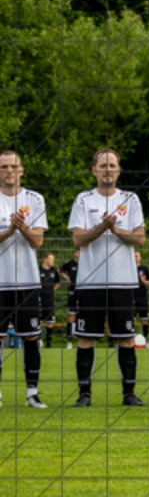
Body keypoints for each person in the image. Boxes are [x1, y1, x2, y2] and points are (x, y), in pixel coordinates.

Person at [68, 148, 146, 407]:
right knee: (86, 337)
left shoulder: (131, 199)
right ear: (94, 170)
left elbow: (140, 238)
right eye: (103, 165)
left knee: (126, 337)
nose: (108, 169)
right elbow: (78, 238)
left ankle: (129, 394)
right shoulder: (83, 200)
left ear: (119, 170)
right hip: (91, 281)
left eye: (112, 165)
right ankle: (84, 394)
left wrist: (116, 229)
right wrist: (102, 227)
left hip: (123, 280)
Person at [0, 150, 48, 408]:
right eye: (3, 166)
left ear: (21, 170)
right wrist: (9, 231)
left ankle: (32, 392)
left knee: (31, 336)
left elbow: (38, 241)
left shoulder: (35, 199)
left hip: (27, 281)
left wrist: (24, 228)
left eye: (13, 166)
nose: (8, 170)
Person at [38, 251, 61, 349]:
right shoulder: (38, 270)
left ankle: (49, 343)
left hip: (50, 299)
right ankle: (38, 341)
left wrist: (51, 290)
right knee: (38, 320)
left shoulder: (54, 270)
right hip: (39, 298)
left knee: (50, 321)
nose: (53, 261)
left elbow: (58, 282)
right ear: (45, 259)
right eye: (51, 259)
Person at [59, 247, 79, 349]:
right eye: (77, 252)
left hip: (83, 292)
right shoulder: (70, 263)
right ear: (75, 253)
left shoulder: (85, 263)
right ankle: (69, 341)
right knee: (71, 316)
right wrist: (66, 278)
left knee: (83, 315)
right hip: (72, 292)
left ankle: (82, 339)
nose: (79, 254)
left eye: (80, 252)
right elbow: (59, 270)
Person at [133, 251, 149, 346]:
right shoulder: (129, 269)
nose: (135, 257)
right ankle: (130, 340)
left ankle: (146, 341)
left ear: (140, 257)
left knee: (144, 320)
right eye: (134, 256)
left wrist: (144, 281)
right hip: (131, 297)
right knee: (130, 319)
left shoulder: (145, 269)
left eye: (137, 256)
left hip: (142, 298)